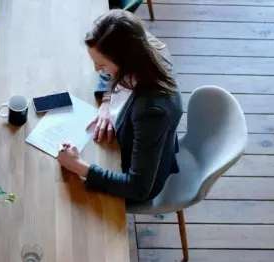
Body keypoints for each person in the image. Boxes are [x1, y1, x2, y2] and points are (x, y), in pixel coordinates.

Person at [56, 10, 182, 203]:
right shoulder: (139, 44)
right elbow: (109, 74)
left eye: (101, 64)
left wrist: (79, 166)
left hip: (135, 178)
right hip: (127, 142)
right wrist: (107, 101)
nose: (97, 70)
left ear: (125, 62)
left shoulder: (151, 112)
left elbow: (138, 188)